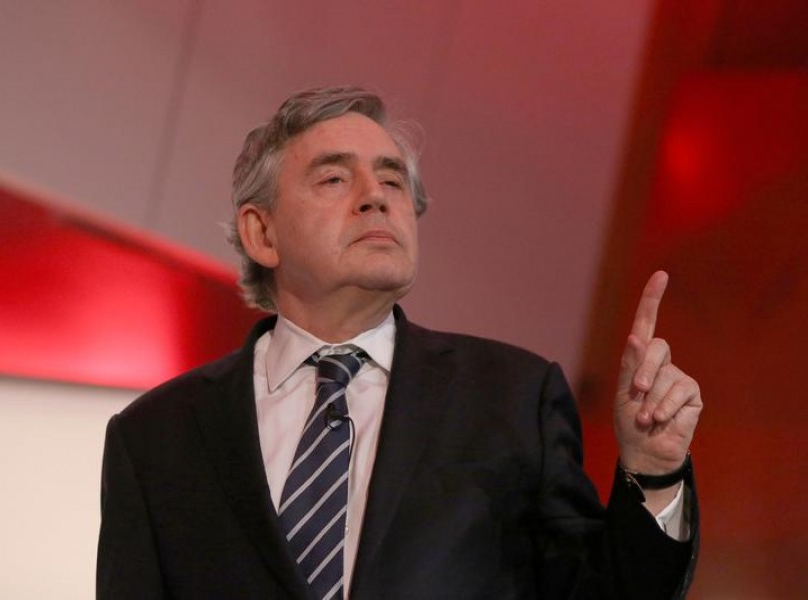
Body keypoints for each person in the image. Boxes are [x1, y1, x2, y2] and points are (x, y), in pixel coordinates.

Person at [97, 86, 702, 599]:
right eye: (335, 178)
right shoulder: (155, 437)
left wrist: (652, 474)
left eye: (392, 179)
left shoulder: (512, 398)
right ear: (261, 232)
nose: (376, 195)